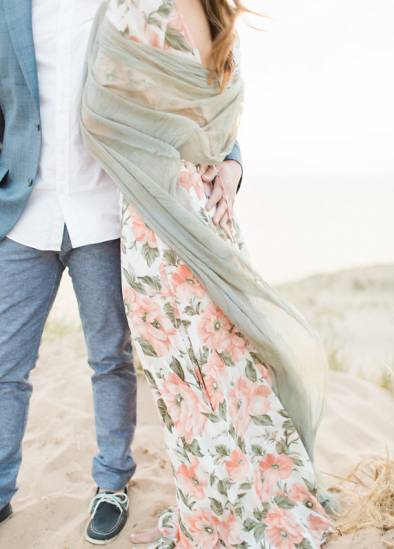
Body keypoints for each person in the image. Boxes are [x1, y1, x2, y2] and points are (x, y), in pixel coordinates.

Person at [80, 0, 333, 547]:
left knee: (210, 374)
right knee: (207, 374)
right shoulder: (177, 14)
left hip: (185, 217)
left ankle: (233, 514)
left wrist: (217, 162)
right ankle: (230, 509)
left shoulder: (177, 13)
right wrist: (192, 163)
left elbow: (115, 118)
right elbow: (118, 117)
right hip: (184, 216)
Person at [0, 0, 242, 544]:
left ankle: (112, 482)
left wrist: (231, 155)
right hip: (23, 212)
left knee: (111, 357)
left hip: (104, 209)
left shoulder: (121, 6)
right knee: (5, 364)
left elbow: (184, 82)